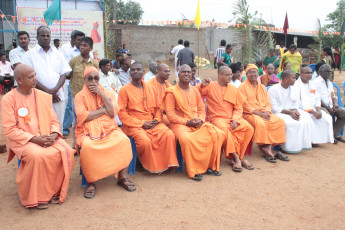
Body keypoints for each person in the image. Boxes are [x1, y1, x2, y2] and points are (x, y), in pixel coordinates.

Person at [1, 64, 75, 209]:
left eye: (35, 75)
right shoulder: (8, 99)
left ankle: (55, 191)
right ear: (19, 80)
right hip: (23, 140)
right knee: (37, 156)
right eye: (31, 77)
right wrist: (35, 139)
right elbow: (9, 129)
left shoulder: (43, 96)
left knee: (67, 151)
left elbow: (54, 121)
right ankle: (37, 196)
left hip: (47, 136)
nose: (36, 79)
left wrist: (54, 135)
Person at [75, 66, 135, 198]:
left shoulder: (108, 94)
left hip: (109, 128)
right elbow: (82, 117)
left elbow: (112, 113)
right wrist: (103, 111)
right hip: (87, 130)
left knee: (123, 140)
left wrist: (101, 94)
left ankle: (122, 177)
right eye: (89, 78)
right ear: (84, 79)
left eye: (96, 78)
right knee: (88, 147)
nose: (93, 81)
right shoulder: (79, 96)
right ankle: (91, 182)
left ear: (99, 79)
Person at [162, 64, 225, 180]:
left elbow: (202, 109)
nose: (186, 74)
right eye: (183, 72)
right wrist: (187, 122)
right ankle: (194, 170)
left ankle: (211, 167)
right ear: (178, 74)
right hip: (180, 125)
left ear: (192, 74)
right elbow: (170, 115)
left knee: (217, 134)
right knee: (187, 139)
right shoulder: (171, 92)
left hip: (197, 122)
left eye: (189, 72)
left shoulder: (195, 91)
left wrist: (200, 120)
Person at [118, 62, 179, 174]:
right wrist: (141, 123)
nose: (135, 71)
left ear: (143, 72)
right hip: (134, 125)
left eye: (138, 69)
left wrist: (156, 120)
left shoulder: (151, 88)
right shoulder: (124, 90)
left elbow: (157, 109)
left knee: (169, 134)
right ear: (129, 73)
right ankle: (142, 162)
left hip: (153, 122)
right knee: (144, 142)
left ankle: (167, 164)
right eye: (133, 70)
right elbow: (122, 114)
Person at [197, 66, 254, 172]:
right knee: (224, 130)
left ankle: (238, 157)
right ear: (220, 75)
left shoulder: (233, 89)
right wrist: (202, 85)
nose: (231, 76)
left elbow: (238, 107)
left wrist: (235, 119)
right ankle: (237, 158)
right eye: (228, 74)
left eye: (231, 74)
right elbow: (195, 92)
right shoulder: (210, 86)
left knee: (249, 128)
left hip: (232, 118)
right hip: (217, 118)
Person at [22, 26, 71, 125]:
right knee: (41, 125)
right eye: (43, 35)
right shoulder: (29, 55)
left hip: (58, 96)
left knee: (58, 124)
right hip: (38, 96)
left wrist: (55, 90)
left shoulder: (58, 54)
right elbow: (29, 77)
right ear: (37, 37)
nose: (45, 38)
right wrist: (47, 93)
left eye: (48, 35)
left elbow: (63, 74)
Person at [238, 64, 287, 163]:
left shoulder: (262, 87)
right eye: (250, 72)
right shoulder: (242, 87)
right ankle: (265, 148)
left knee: (279, 122)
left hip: (265, 112)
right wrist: (260, 114)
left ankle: (268, 147)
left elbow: (268, 102)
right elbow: (244, 105)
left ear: (258, 73)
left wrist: (268, 112)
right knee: (260, 123)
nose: (253, 74)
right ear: (246, 74)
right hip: (249, 114)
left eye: (255, 72)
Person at [268, 70, 312, 154]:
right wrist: (290, 113)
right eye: (293, 78)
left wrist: (295, 110)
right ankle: (286, 147)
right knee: (291, 123)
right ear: (285, 79)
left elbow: (296, 102)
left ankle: (300, 145)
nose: (295, 80)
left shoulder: (294, 88)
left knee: (306, 119)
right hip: (279, 112)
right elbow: (274, 108)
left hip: (291, 110)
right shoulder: (273, 89)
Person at [295, 66, 334, 145]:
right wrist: (313, 112)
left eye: (310, 73)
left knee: (327, 118)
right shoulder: (296, 85)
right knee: (309, 119)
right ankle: (309, 141)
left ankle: (318, 140)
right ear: (301, 74)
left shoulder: (312, 84)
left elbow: (317, 98)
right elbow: (300, 104)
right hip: (301, 110)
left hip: (314, 109)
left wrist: (318, 110)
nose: (309, 75)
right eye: (307, 73)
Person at [60, 30, 86, 139]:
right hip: (69, 82)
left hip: (83, 84)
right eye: (79, 40)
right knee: (69, 106)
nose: (81, 43)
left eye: (82, 40)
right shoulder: (65, 49)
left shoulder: (84, 51)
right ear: (73, 40)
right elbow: (63, 66)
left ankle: (83, 129)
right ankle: (65, 129)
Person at [314, 64, 345, 143]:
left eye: (330, 72)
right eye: (327, 71)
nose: (329, 73)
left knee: (343, 113)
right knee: (327, 114)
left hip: (330, 106)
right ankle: (326, 136)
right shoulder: (315, 82)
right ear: (321, 72)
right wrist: (329, 108)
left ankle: (334, 135)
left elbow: (333, 96)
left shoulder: (330, 83)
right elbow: (317, 99)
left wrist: (335, 105)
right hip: (320, 106)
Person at [98, 58, 122, 125]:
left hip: (116, 96)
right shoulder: (97, 77)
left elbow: (119, 86)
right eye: (108, 65)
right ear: (102, 67)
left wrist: (119, 94)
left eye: (110, 65)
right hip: (105, 98)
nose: (110, 67)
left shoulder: (113, 75)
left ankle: (119, 121)